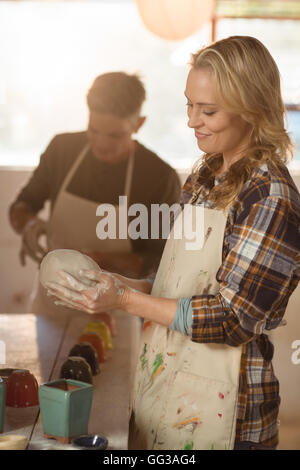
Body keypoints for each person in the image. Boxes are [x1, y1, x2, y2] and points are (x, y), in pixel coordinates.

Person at [44, 36, 300, 450]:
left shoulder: (270, 196)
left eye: (208, 110)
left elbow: (231, 320)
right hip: (164, 391)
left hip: (230, 418)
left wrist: (124, 300)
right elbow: (170, 284)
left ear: (251, 109)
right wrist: (108, 282)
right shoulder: (204, 176)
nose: (191, 121)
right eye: (189, 105)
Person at [9, 71, 181, 314]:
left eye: (114, 135)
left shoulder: (159, 177)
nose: (101, 143)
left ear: (138, 124)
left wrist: (100, 261)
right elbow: (23, 205)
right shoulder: (62, 150)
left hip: (119, 307)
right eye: (94, 130)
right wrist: (27, 225)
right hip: (53, 298)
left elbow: (161, 259)